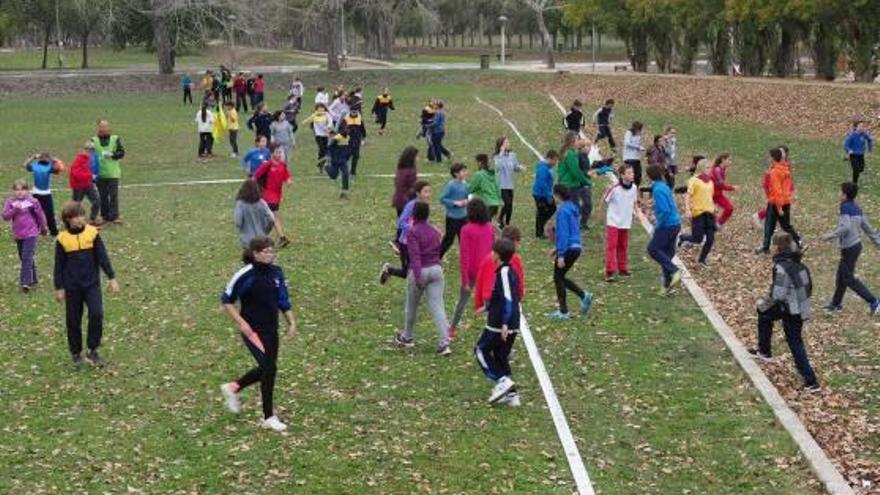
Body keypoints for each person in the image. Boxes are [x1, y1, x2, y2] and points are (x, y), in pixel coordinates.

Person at [220, 236, 297, 432]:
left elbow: (283, 300)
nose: (270, 255)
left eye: (272, 251)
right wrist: (242, 324)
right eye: (266, 252)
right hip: (252, 330)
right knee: (268, 368)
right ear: (255, 254)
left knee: (270, 370)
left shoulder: (277, 273)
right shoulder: (245, 274)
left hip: (272, 329)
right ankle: (269, 416)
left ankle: (234, 388)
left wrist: (291, 322)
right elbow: (226, 300)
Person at [748, 233, 820, 393]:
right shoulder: (800, 265)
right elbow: (808, 287)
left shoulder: (781, 267)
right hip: (801, 307)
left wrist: (763, 303)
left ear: (778, 248)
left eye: (773, 246)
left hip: (790, 309)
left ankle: (811, 381)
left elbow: (777, 295)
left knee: (795, 342)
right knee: (765, 315)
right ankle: (764, 351)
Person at [54, 201, 119, 370]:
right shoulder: (62, 239)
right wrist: (59, 287)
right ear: (68, 219)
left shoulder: (92, 233)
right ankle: (76, 353)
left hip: (92, 284)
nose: (79, 219)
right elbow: (59, 265)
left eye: (81, 215)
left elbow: (102, 257)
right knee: (73, 321)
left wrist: (111, 277)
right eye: (75, 216)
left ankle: (92, 350)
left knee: (97, 314)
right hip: (72, 287)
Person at [392, 201, 452, 355]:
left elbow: (415, 256)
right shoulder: (433, 231)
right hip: (436, 270)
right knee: (438, 306)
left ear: (413, 215)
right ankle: (445, 342)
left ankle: (407, 337)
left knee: (411, 306)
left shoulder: (413, 232)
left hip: (421, 271)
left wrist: (418, 276)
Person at [474, 238, 521, 405]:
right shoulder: (508, 271)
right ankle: (512, 396)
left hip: (500, 322)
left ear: (498, 255)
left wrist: (505, 323)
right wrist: (486, 307)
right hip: (512, 320)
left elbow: (508, 298)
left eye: (493, 251)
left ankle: (502, 380)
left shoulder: (504, 272)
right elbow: (501, 295)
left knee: (480, 350)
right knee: (500, 355)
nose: (491, 254)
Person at [821, 182, 880, 315]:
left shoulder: (845, 208)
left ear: (845, 195)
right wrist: (878, 242)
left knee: (848, 278)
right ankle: (836, 304)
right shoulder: (857, 208)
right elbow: (868, 228)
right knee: (841, 276)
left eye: (840, 192)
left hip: (850, 248)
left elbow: (845, 227)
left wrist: (830, 235)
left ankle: (874, 301)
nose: (839, 194)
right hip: (855, 247)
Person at [448, 198, 494, 339]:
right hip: (488, 270)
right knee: (490, 303)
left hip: (473, 272)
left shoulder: (466, 230)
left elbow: (465, 256)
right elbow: (493, 248)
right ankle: (494, 330)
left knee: (462, 301)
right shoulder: (489, 227)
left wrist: (465, 280)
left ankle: (452, 328)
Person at [548, 184, 592, 320]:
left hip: (568, 249)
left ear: (557, 195)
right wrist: (557, 249)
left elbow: (563, 233)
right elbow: (573, 231)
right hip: (576, 247)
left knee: (558, 278)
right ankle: (583, 296)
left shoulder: (562, 211)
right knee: (560, 277)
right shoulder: (573, 209)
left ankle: (564, 311)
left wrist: (561, 254)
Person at [473, 226, 525, 339]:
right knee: (503, 325)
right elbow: (519, 281)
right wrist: (519, 295)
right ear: (515, 243)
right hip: (505, 299)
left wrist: (479, 302)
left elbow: (480, 280)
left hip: (490, 298)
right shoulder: (515, 260)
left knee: (494, 324)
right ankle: (500, 348)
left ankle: (498, 344)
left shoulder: (489, 258)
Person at [381, 181, 431, 283]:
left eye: (429, 191)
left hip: (418, 243)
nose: (428, 194)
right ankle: (388, 270)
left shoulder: (425, 205)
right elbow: (401, 222)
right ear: (418, 193)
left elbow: (423, 222)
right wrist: (413, 230)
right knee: (406, 272)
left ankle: (422, 287)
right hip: (406, 243)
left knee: (419, 267)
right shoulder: (411, 205)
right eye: (425, 192)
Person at [3, 180, 47, 291]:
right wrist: (15, 209)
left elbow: (40, 215)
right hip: (18, 234)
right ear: (13, 192)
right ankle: (34, 279)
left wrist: (43, 227)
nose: (20, 192)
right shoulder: (10, 202)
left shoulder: (33, 201)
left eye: (22, 189)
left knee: (26, 256)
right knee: (25, 258)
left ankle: (25, 282)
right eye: (17, 190)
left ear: (27, 191)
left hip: (31, 233)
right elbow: (5, 216)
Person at [646, 165, 683, 294]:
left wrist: (657, 225)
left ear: (649, 177)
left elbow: (665, 210)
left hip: (668, 225)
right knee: (666, 255)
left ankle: (675, 270)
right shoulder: (664, 186)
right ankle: (667, 287)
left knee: (653, 249)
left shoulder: (657, 190)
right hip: (676, 223)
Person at [758, 147, 801, 254]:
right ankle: (799, 242)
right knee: (786, 225)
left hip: (775, 203)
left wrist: (779, 207)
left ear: (773, 158)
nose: (768, 158)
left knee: (769, 226)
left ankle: (765, 248)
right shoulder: (785, 168)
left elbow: (777, 191)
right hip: (786, 201)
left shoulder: (775, 172)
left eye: (769, 156)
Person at [677, 159, 716, 268]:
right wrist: (687, 209)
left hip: (709, 213)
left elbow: (709, 196)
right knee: (698, 238)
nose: (710, 170)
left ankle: (701, 260)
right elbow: (688, 196)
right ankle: (682, 237)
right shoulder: (694, 180)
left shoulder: (710, 182)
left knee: (710, 239)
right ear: (701, 168)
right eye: (707, 168)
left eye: (710, 168)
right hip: (698, 213)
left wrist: (713, 207)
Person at [253, 144, 292, 248]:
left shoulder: (282, 165)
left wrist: (288, 181)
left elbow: (287, 176)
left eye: (281, 152)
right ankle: (278, 238)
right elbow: (255, 176)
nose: (279, 154)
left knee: (272, 218)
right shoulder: (267, 165)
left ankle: (279, 238)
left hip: (277, 196)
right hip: (267, 196)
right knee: (272, 217)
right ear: (271, 153)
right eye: (277, 152)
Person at [603, 164, 637, 282]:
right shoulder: (615, 188)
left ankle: (622, 268)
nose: (632, 175)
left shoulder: (634, 188)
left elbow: (633, 202)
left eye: (632, 172)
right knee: (612, 246)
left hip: (625, 222)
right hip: (613, 222)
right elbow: (605, 200)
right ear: (622, 175)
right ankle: (610, 271)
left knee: (623, 245)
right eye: (629, 173)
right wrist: (608, 189)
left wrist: (635, 213)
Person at [557, 132, 594, 229]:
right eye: (578, 139)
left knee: (572, 207)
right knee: (574, 208)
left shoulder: (569, 153)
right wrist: (587, 181)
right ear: (573, 141)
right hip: (570, 185)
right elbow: (576, 172)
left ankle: (568, 226)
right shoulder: (570, 154)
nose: (579, 141)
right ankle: (567, 228)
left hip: (567, 184)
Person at [92, 119, 125, 225]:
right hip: (100, 174)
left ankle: (114, 216)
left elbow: (121, 153)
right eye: (102, 126)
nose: (104, 128)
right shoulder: (93, 140)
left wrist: (113, 154)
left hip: (113, 173)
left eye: (106, 126)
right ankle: (104, 216)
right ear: (98, 128)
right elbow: (89, 156)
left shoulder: (115, 139)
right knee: (102, 196)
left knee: (113, 195)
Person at [23, 152, 63, 236]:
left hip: (38, 194)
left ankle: (39, 231)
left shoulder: (35, 166)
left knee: (36, 214)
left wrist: (33, 157)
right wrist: (53, 159)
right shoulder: (49, 167)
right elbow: (60, 168)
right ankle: (52, 232)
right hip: (43, 194)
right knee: (47, 214)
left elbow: (25, 164)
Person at [439, 162, 469, 258]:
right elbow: (442, 199)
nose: (465, 173)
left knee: (464, 239)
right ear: (456, 174)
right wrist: (454, 203)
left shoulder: (465, 184)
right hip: (452, 218)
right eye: (463, 171)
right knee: (449, 240)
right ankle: (438, 256)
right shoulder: (451, 185)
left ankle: (465, 258)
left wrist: (467, 200)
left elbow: (468, 195)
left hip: (464, 217)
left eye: (465, 171)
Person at [494, 137, 525, 228]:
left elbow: (515, 167)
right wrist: (501, 153)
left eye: (508, 142)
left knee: (510, 205)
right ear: (501, 145)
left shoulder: (512, 155)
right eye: (506, 143)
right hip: (502, 185)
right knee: (507, 203)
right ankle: (500, 219)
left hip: (510, 184)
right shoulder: (497, 156)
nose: (508, 144)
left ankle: (507, 223)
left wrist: (520, 168)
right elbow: (498, 166)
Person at [234, 179, 275, 250]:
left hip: (247, 239)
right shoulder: (262, 203)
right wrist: (267, 230)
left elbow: (238, 222)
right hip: (262, 237)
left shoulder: (240, 204)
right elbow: (271, 219)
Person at [68, 141, 100, 224]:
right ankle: (72, 221)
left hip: (88, 184)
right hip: (78, 186)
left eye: (93, 150)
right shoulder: (79, 159)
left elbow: (91, 170)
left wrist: (94, 176)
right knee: (75, 205)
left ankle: (92, 220)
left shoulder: (89, 159)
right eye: (90, 149)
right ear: (85, 149)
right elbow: (75, 173)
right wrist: (89, 176)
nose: (91, 151)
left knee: (96, 201)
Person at [532, 150, 558, 239]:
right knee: (543, 212)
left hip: (545, 193)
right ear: (549, 158)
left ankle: (540, 229)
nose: (555, 163)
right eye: (554, 160)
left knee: (549, 210)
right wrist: (548, 196)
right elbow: (542, 183)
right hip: (540, 194)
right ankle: (539, 233)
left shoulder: (547, 168)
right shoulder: (543, 168)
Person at [469, 153, 501, 221]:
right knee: (489, 224)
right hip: (495, 204)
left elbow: (470, 189)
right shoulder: (493, 174)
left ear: (480, 163)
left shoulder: (479, 174)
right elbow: (498, 188)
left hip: (485, 204)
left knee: (482, 225)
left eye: (477, 162)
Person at [302, 103, 333, 172]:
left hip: (325, 135)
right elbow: (307, 120)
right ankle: (321, 164)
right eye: (319, 108)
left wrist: (329, 127)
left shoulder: (327, 115)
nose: (321, 109)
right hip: (318, 135)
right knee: (321, 148)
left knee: (324, 150)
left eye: (322, 108)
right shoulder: (314, 115)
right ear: (317, 109)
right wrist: (304, 122)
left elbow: (330, 121)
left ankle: (321, 164)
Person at [843, 119, 874, 184]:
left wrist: (870, 150)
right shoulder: (852, 135)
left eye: (863, 126)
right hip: (853, 155)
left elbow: (869, 140)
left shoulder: (864, 134)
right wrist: (849, 150)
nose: (862, 128)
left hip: (861, 155)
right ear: (855, 127)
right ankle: (854, 183)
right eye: (860, 126)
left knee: (861, 169)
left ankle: (855, 174)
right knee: (856, 170)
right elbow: (846, 145)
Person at [325, 128, 353, 199]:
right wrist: (329, 157)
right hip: (335, 160)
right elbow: (329, 148)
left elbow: (349, 147)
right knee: (333, 176)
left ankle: (344, 192)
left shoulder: (348, 138)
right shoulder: (337, 138)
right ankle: (327, 167)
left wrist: (348, 155)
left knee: (346, 174)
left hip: (343, 160)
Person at [710, 153, 736, 227]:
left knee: (729, 208)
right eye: (729, 160)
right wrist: (732, 188)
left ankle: (718, 223)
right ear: (723, 160)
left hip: (718, 194)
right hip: (710, 195)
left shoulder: (722, 169)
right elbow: (721, 185)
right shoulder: (717, 170)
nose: (730, 162)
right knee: (709, 213)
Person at [341, 108, 367, 176]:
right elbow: (342, 129)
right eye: (352, 112)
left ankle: (353, 171)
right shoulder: (346, 119)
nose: (354, 113)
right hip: (348, 140)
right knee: (347, 156)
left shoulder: (359, 118)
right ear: (350, 111)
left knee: (356, 155)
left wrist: (363, 138)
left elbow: (362, 129)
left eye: (355, 112)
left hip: (357, 139)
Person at [623, 121, 646, 189]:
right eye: (639, 129)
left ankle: (636, 188)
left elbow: (637, 145)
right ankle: (629, 188)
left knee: (638, 175)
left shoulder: (638, 135)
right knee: (631, 175)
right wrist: (638, 147)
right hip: (629, 157)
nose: (640, 130)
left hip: (636, 158)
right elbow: (627, 143)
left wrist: (639, 149)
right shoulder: (629, 133)